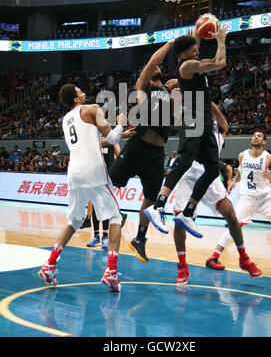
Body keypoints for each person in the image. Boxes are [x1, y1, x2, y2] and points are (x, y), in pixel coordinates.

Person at [38, 84, 126, 292]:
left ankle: (50, 265)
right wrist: (121, 124)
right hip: (94, 171)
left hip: (74, 173)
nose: (82, 92)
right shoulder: (93, 108)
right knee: (115, 217)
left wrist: (124, 133)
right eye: (79, 91)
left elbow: (92, 140)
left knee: (74, 220)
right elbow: (113, 139)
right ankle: (111, 272)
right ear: (76, 100)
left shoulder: (66, 120)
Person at [145, 21, 228, 237]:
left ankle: (188, 212)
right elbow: (220, 63)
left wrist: (196, 38)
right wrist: (221, 40)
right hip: (193, 118)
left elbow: (198, 54)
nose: (197, 51)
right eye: (194, 49)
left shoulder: (190, 63)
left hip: (205, 122)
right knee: (185, 159)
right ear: (184, 54)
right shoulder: (186, 66)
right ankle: (157, 206)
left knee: (212, 169)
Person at [173, 103, 262, 285]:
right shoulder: (193, 122)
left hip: (209, 175)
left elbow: (221, 119)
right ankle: (182, 265)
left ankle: (244, 258)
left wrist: (208, 101)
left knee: (230, 213)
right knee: (179, 220)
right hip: (189, 174)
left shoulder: (218, 128)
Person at [109, 37, 178, 263]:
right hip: (138, 146)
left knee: (151, 197)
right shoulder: (143, 86)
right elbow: (151, 65)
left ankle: (139, 239)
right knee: (112, 180)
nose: (157, 66)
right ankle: (109, 212)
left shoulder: (167, 89)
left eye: (159, 66)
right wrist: (170, 45)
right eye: (154, 66)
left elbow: (182, 78)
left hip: (157, 153)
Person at [205, 131, 271, 269]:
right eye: (254, 135)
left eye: (259, 136)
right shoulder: (242, 155)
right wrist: (234, 182)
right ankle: (214, 257)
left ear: (264, 142)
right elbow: (240, 171)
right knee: (235, 225)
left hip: (264, 199)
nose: (256, 137)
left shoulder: (270, 158)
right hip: (246, 197)